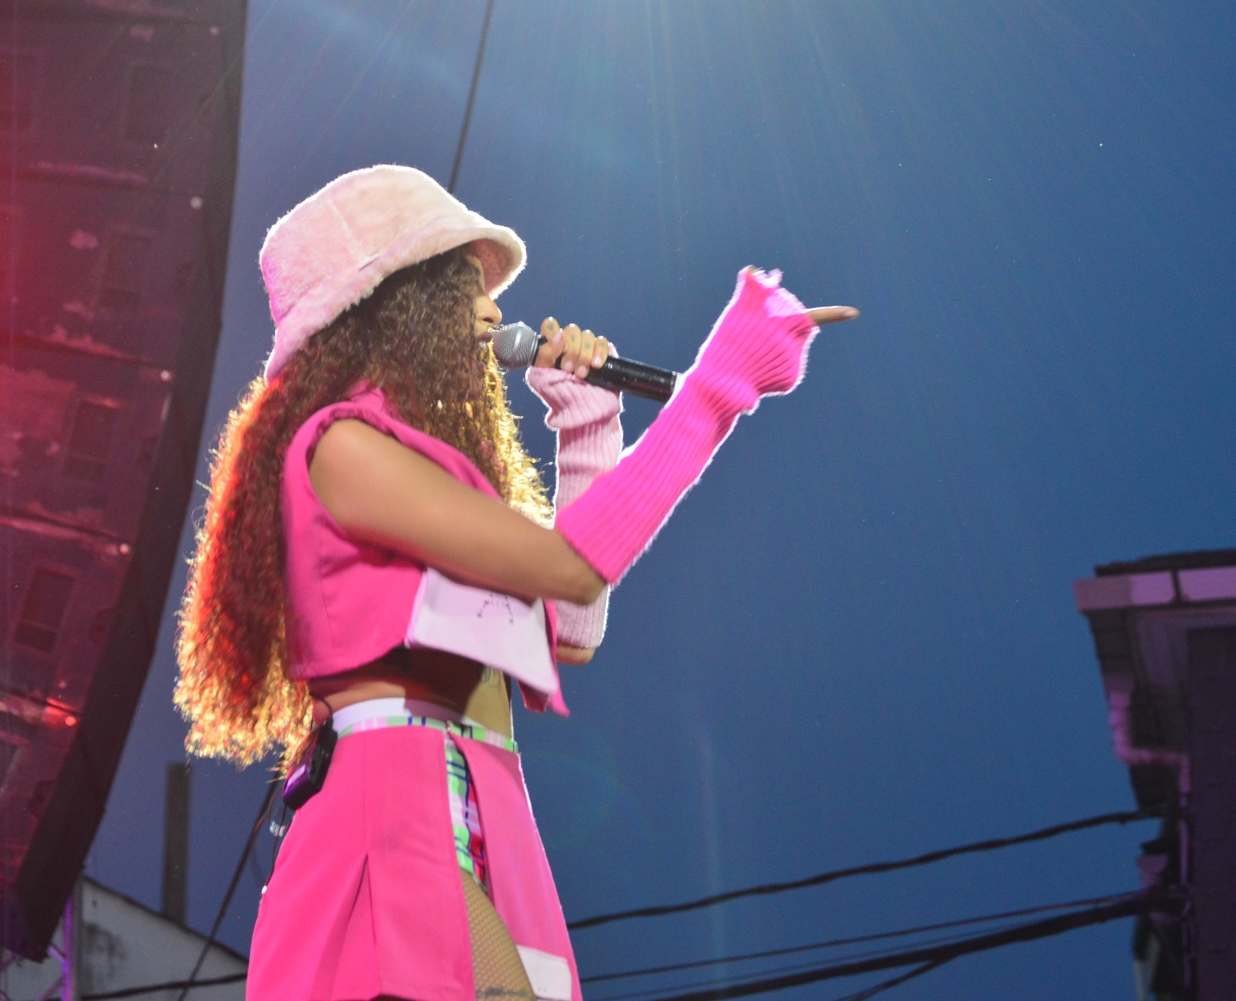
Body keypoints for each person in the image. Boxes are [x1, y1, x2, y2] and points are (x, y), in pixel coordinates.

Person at [174, 165, 856, 1001]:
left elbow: (571, 625)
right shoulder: (342, 449)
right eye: (466, 286)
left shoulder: (419, 469)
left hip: (479, 801)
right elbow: (572, 564)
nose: (494, 313)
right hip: (398, 808)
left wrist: (586, 425)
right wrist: (719, 384)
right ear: (401, 304)